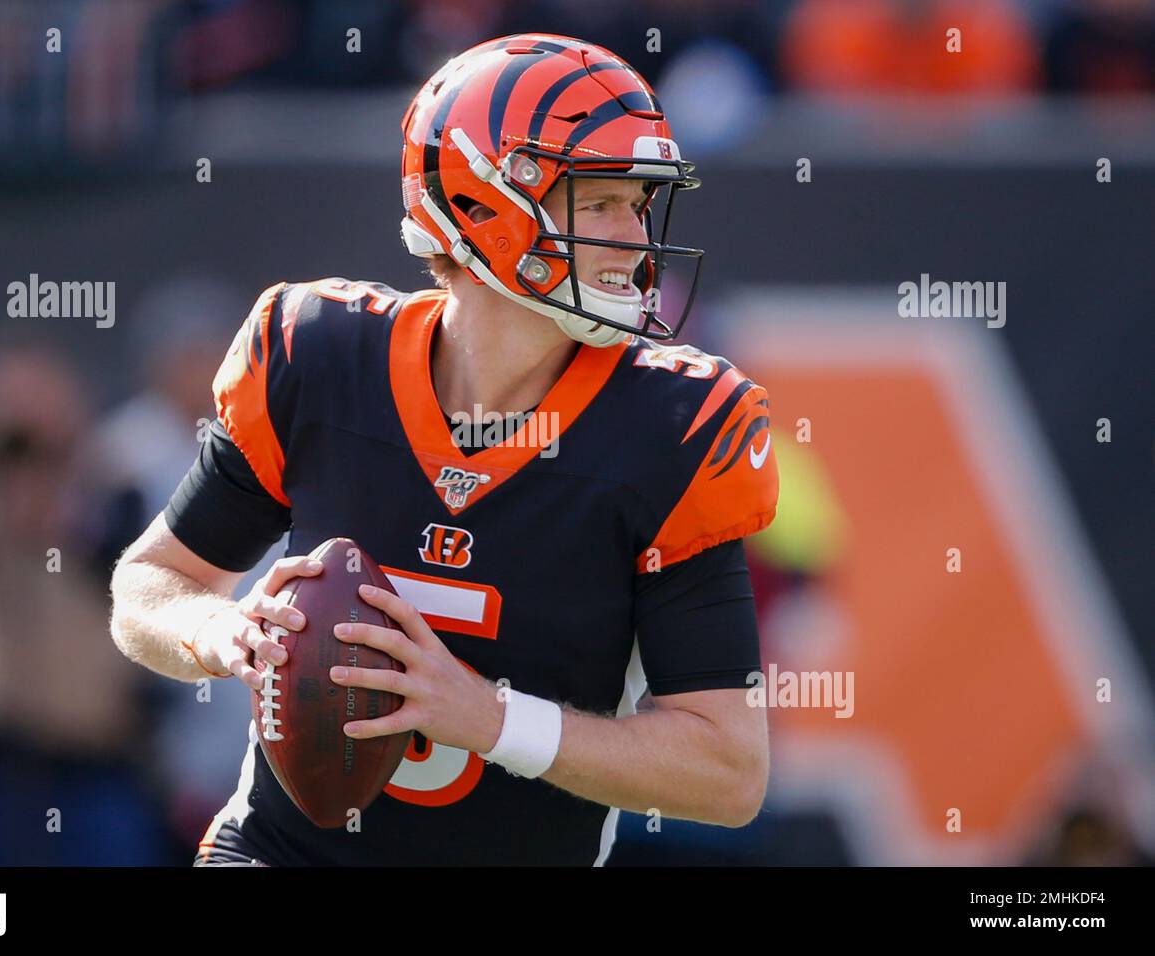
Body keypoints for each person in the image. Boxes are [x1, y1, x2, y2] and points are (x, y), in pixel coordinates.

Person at [110, 33, 779, 866]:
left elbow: (729, 770)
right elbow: (146, 588)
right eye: (601, 201)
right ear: (479, 205)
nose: (634, 238)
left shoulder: (670, 427)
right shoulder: (319, 357)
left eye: (640, 206)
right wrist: (223, 632)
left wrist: (492, 720)